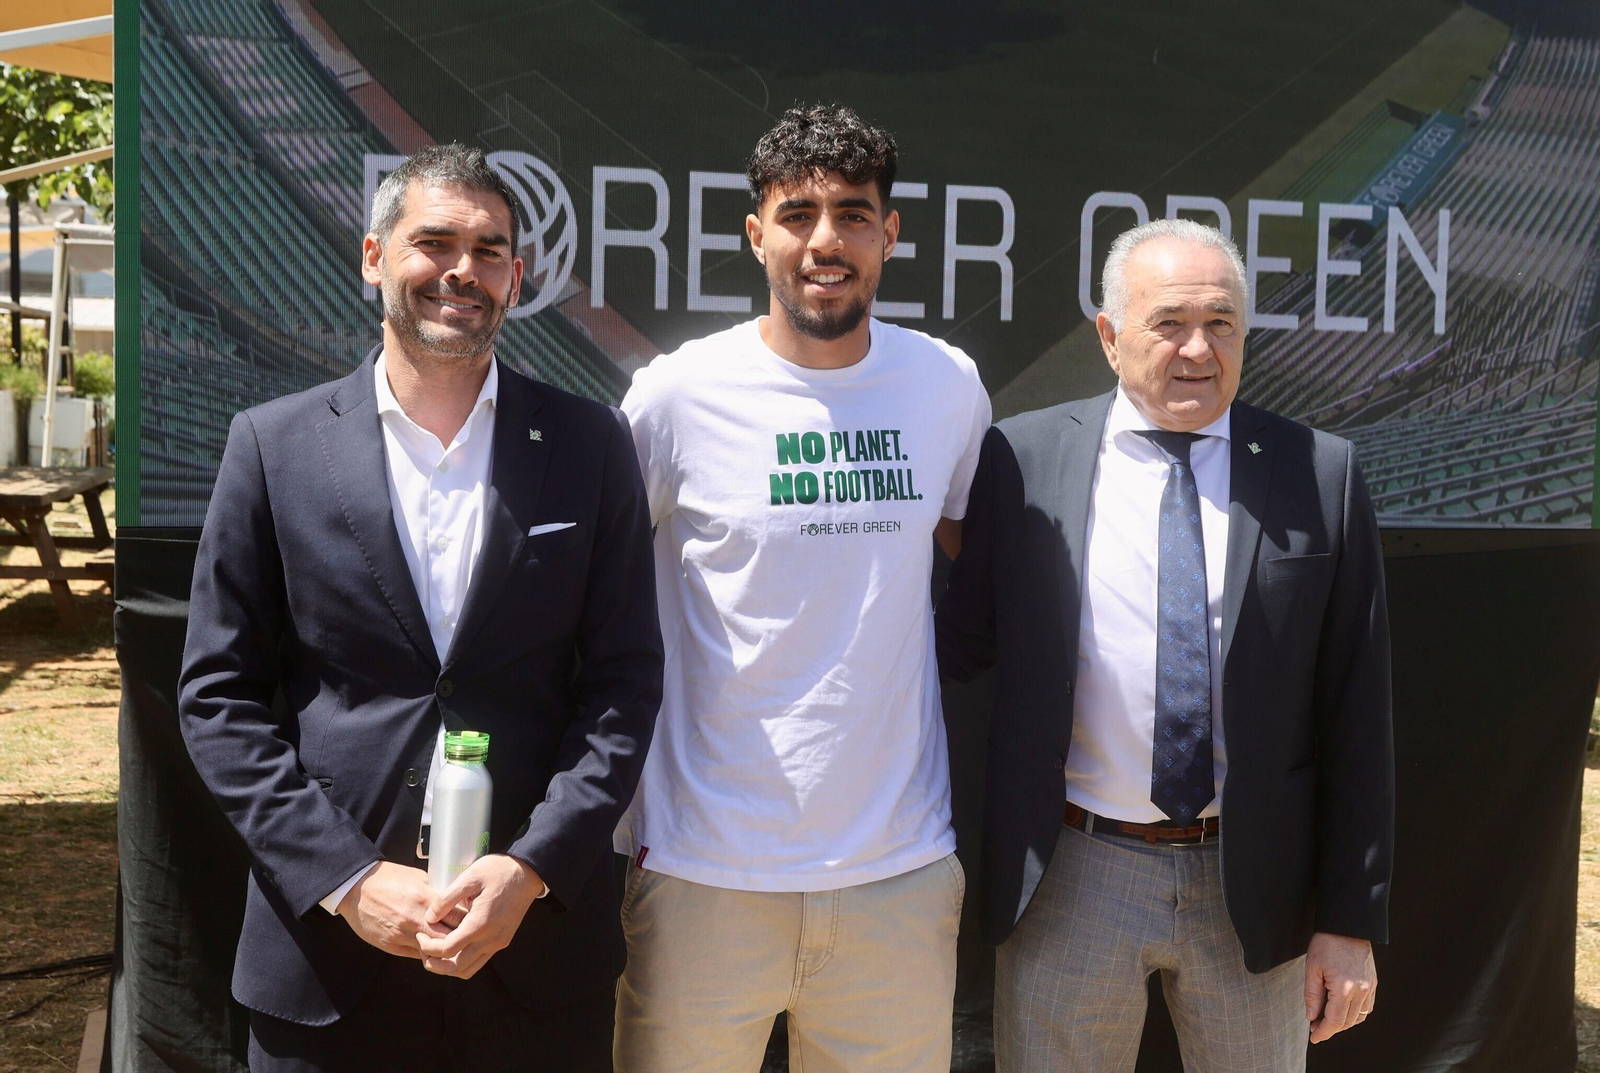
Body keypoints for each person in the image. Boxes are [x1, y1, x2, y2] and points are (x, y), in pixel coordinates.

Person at [178, 143, 662, 1072]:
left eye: (489, 250)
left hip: (533, 953)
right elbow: (218, 700)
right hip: (328, 962)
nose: (460, 271)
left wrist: (531, 869)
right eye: (433, 242)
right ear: (373, 257)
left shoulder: (588, 443)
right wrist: (347, 879)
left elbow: (624, 683)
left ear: (518, 277)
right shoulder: (272, 447)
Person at [937, 218, 1393, 1071]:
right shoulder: (1025, 457)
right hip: (1070, 872)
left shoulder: (1318, 474)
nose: (1197, 349)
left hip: (1254, 885)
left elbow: (1358, 713)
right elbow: (959, 647)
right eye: (1169, 323)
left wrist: (1350, 918)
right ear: (1110, 337)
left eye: (1221, 324)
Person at [611, 103, 991, 1072]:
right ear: (756, 234)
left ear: (890, 234)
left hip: (895, 876)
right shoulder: (674, 397)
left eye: (854, 214)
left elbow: (969, 557)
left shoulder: (946, 387)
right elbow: (597, 592)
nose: (826, 240)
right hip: (704, 870)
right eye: (798, 214)